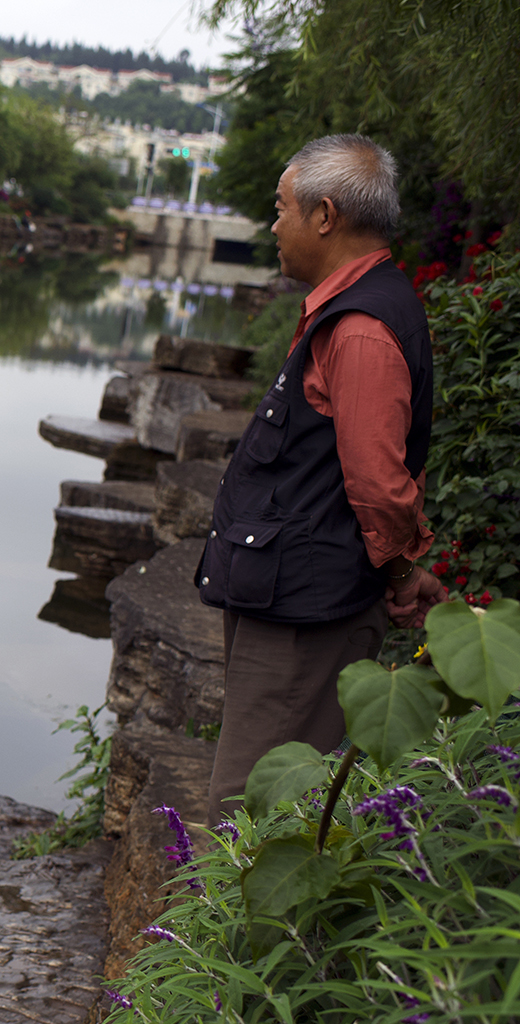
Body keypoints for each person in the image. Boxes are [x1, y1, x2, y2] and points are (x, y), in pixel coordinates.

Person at [197, 134, 448, 820]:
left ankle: (229, 930)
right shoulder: (348, 307)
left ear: (326, 215)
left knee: (254, 806)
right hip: (289, 597)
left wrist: (401, 575)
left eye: (281, 209)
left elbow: (377, 481)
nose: (273, 225)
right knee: (258, 791)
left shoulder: (362, 326)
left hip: (306, 610)